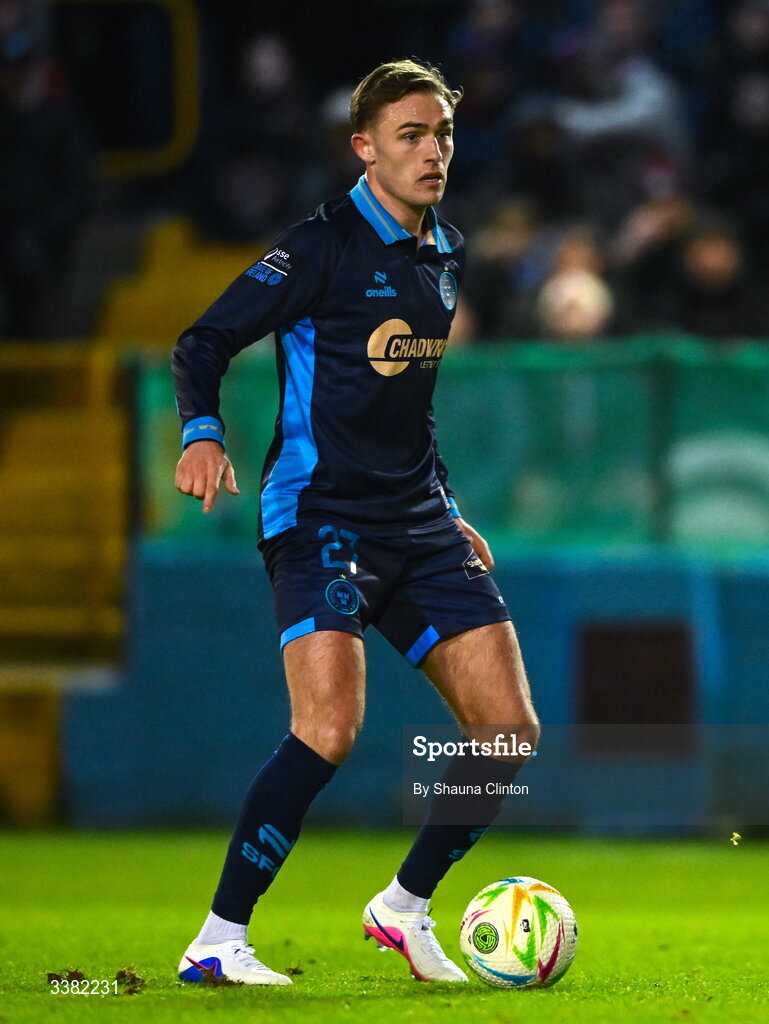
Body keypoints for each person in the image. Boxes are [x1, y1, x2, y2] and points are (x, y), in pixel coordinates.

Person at [171, 58, 539, 986]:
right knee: (328, 728)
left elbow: (408, 408)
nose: (432, 151)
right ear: (364, 147)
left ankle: (404, 908)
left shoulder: (444, 254)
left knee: (506, 731)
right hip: (321, 516)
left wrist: (448, 510)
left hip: (418, 523)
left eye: (443, 134)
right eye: (410, 135)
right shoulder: (321, 245)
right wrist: (203, 431)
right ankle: (218, 939)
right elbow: (203, 339)